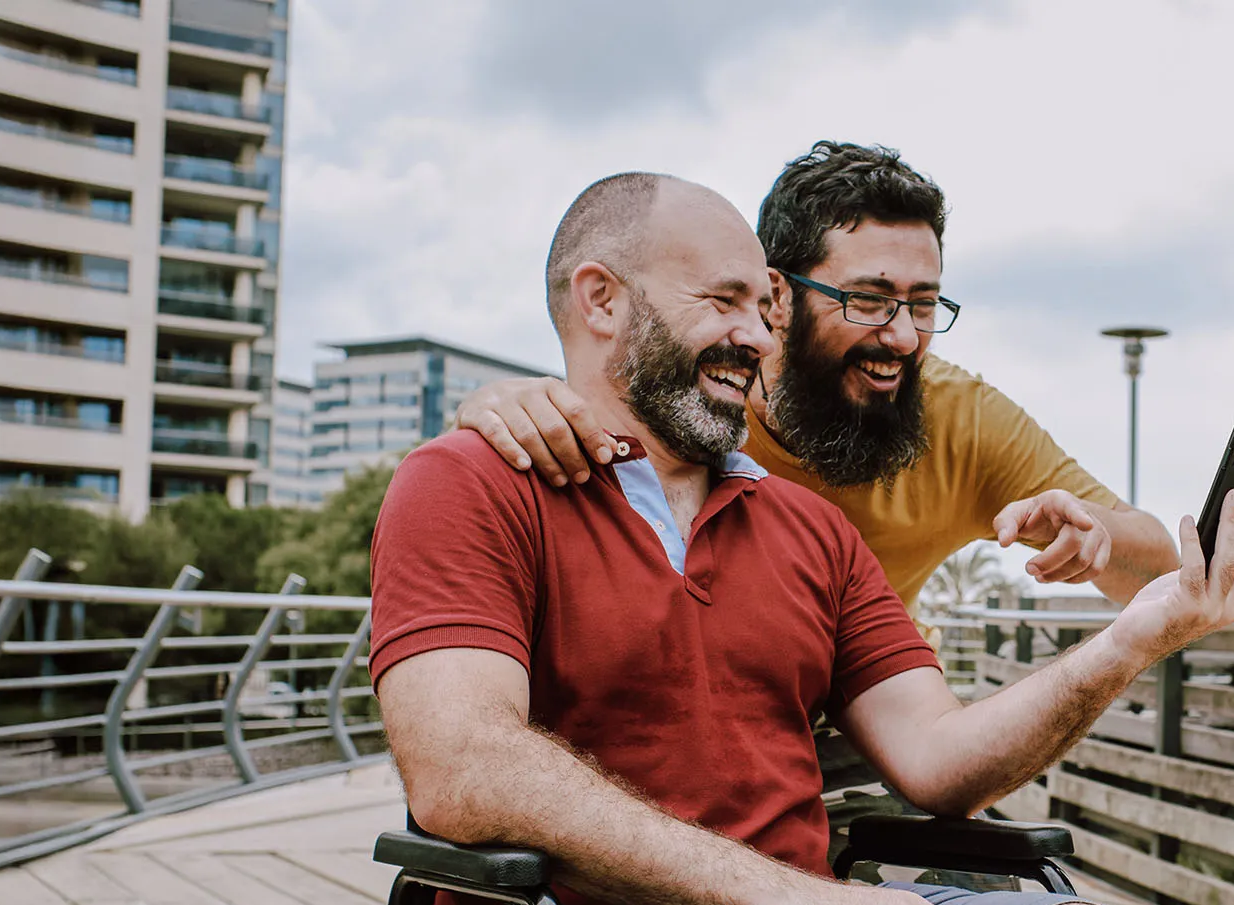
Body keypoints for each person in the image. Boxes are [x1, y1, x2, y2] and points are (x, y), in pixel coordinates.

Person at [371, 171, 1234, 905]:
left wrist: (1133, 638)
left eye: (758, 311)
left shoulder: (814, 526)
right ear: (601, 300)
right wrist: (786, 899)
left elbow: (936, 761)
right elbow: (462, 767)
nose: (756, 339)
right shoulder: (470, 481)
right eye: (725, 303)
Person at [452, 141, 1179, 618]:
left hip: (881, 742)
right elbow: (608, 401)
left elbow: (1161, 569)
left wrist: (1101, 537)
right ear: (777, 296)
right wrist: (498, 405)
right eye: (866, 299)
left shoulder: (961, 417)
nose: (900, 335)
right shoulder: (706, 398)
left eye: (924, 304)